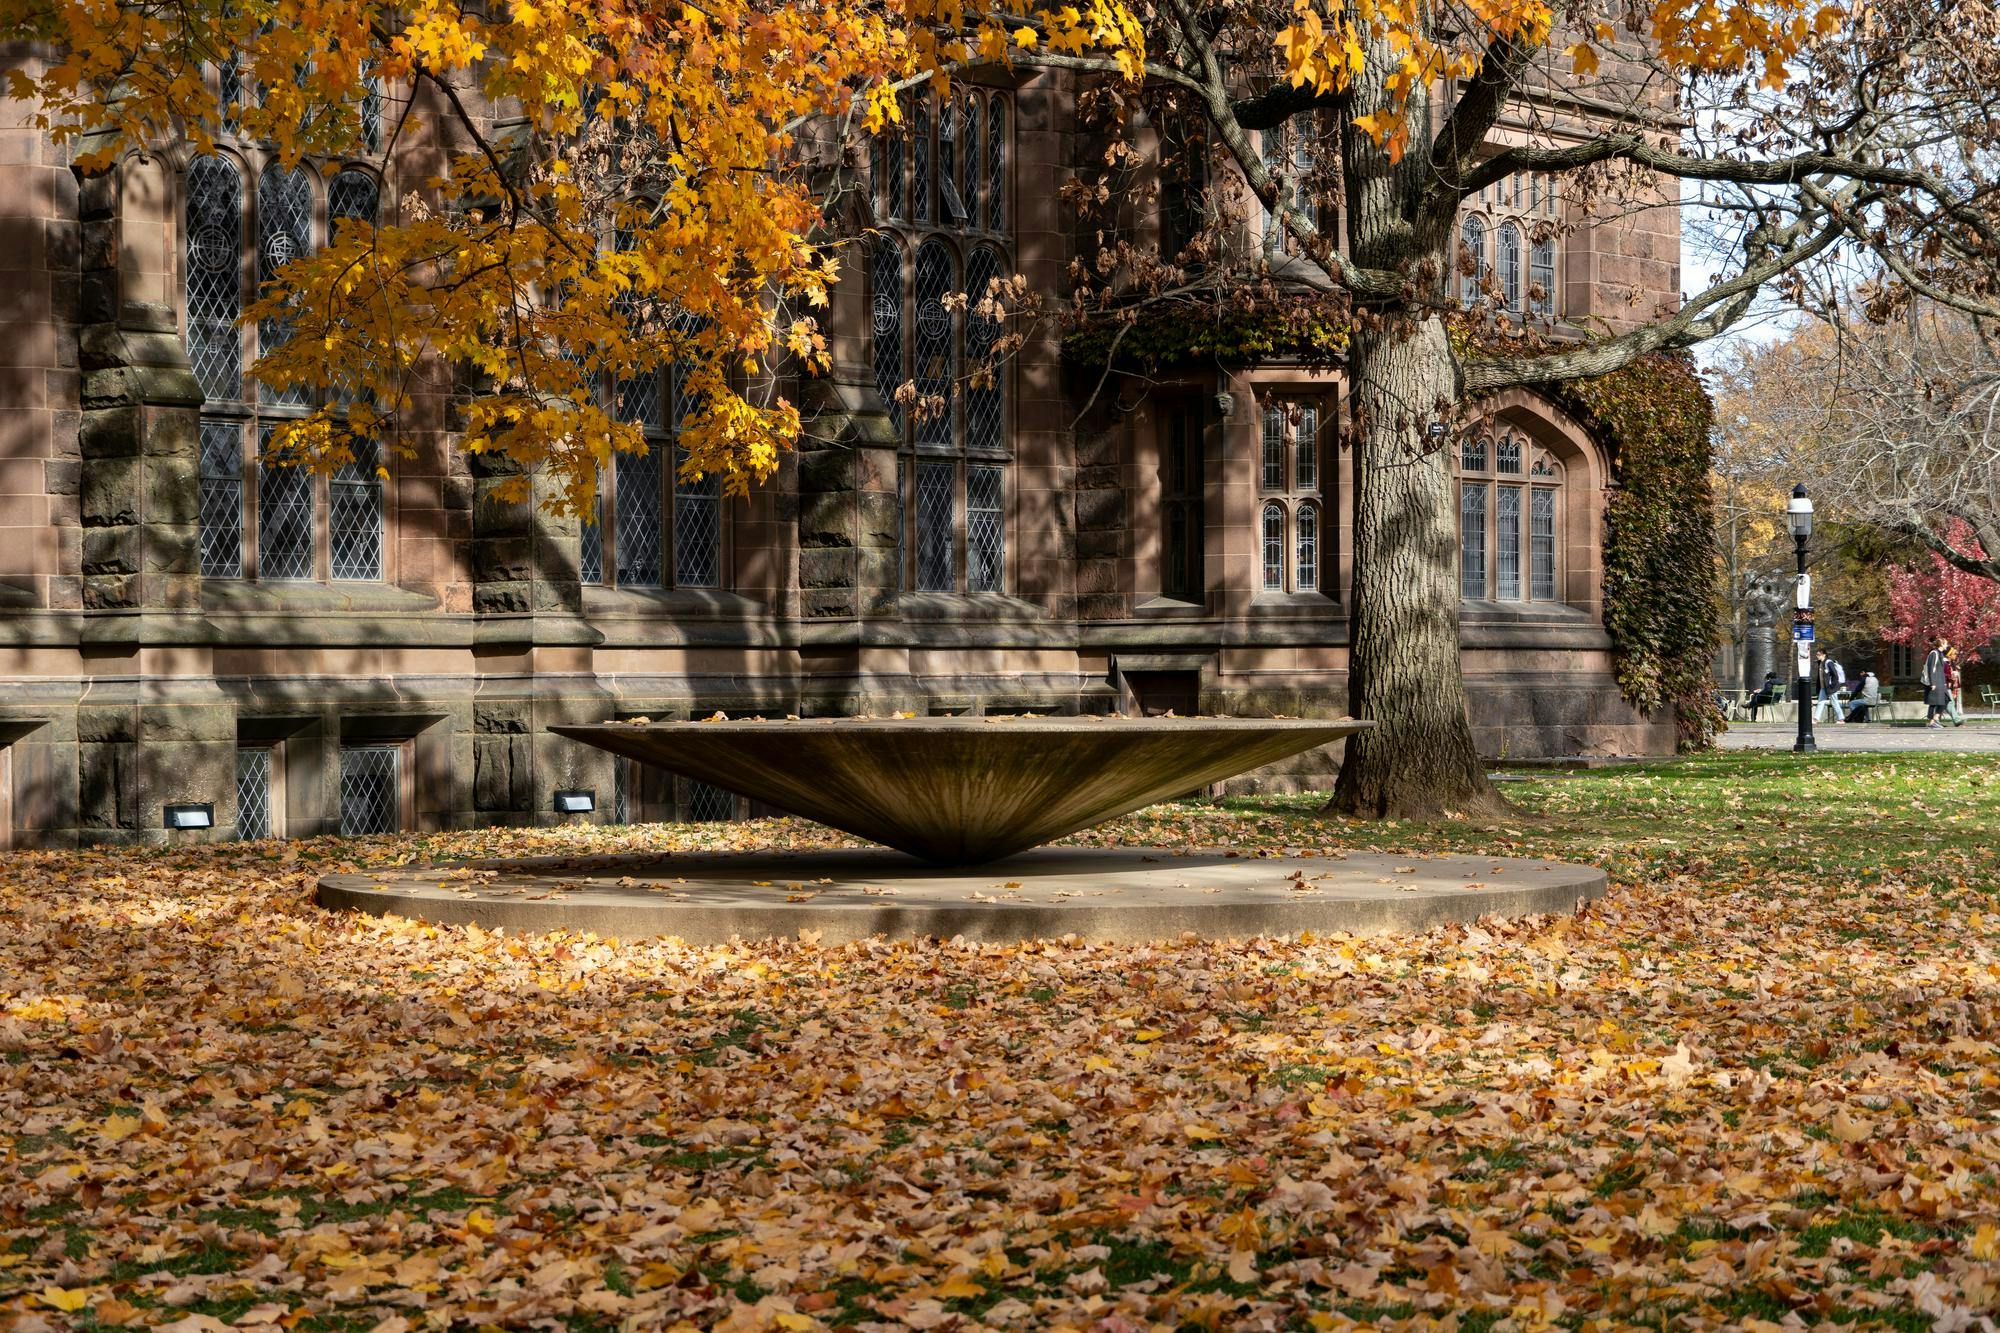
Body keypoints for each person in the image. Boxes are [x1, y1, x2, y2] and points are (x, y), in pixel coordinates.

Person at [1923, 636, 1952, 728]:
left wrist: (1944, 682)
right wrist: (1933, 683)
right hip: (1935, 682)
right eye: (1946, 643)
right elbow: (1931, 669)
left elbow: (1940, 670)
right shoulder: (1934, 653)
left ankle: (1935, 719)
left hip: (1940, 681)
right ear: (1942, 644)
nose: (1947, 645)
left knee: (1945, 700)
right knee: (1934, 702)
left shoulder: (1941, 654)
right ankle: (1932, 723)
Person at [1815, 650, 1848, 724]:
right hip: (1824, 687)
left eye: (1819, 654)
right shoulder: (1821, 663)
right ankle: (1816, 719)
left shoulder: (1828, 662)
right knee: (1821, 702)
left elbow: (1835, 675)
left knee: (1834, 702)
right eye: (1817, 654)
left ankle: (1841, 719)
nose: (1817, 656)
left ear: (1824, 655)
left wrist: (1832, 685)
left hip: (1830, 687)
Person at [1946, 646, 1967, 727]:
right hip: (1944, 685)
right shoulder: (1945, 663)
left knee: (1946, 703)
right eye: (1954, 654)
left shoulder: (1952, 663)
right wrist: (1951, 676)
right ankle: (1956, 720)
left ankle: (1935, 720)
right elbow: (1943, 673)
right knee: (1948, 702)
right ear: (1949, 655)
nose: (1956, 655)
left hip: (1950, 686)